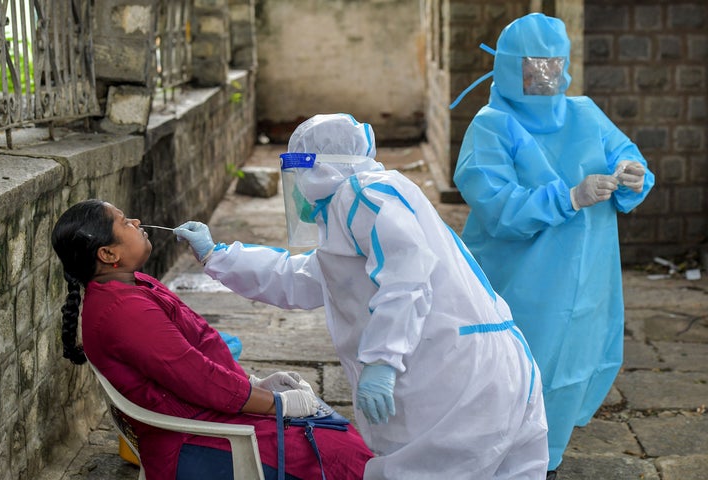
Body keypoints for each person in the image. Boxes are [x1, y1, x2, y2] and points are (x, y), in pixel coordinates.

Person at [174, 113, 549, 479]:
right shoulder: (355, 212)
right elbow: (299, 278)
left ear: (320, 169)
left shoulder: (363, 193)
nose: (298, 187)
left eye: (299, 173)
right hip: (493, 370)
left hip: (459, 375)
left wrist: (382, 360)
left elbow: (407, 273)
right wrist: (217, 255)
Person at [450, 13, 655, 479]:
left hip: (586, 281)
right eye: (534, 67)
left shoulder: (584, 112)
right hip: (518, 281)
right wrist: (568, 198)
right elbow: (497, 207)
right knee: (509, 374)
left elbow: (626, 152)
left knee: (571, 372)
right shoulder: (492, 126)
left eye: (554, 64)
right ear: (507, 68)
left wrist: (632, 175)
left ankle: (545, 462)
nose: (548, 77)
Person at [51, 199, 373, 480]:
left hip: (208, 411)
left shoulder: (133, 286)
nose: (136, 221)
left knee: (334, 432)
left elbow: (196, 357)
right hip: (197, 442)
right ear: (108, 254)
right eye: (124, 222)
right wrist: (276, 403)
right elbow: (199, 378)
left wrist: (255, 384)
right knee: (341, 453)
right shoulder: (123, 311)